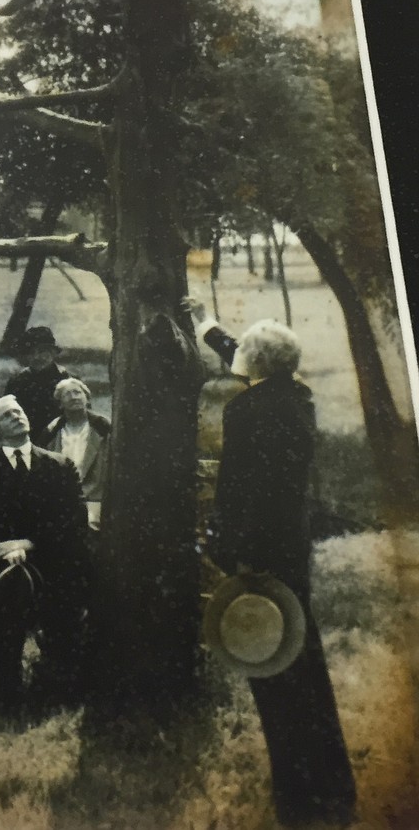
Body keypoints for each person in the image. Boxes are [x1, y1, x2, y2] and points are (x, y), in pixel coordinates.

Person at [185, 299, 356, 827]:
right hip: (292, 548)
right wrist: (206, 324)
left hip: (257, 553)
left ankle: (298, 791)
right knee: (303, 658)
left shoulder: (246, 410)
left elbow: (236, 490)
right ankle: (333, 782)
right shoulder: (297, 397)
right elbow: (252, 353)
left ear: (255, 364)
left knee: (271, 666)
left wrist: (222, 548)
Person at [0, 395, 90, 707]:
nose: (17, 417)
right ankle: (6, 686)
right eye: (6, 416)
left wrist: (29, 544)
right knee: (5, 591)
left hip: (51, 560)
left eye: (19, 411)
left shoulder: (59, 465)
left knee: (66, 601)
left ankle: (57, 684)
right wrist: (0, 548)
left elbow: (73, 520)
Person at [36, 377, 110, 533]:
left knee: (87, 526)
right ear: (60, 404)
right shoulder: (52, 431)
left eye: (78, 392)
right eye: (67, 394)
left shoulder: (103, 427)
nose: (74, 397)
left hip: (96, 498)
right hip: (61, 498)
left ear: (87, 398)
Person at [6, 326, 69, 438]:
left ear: (53, 353)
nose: (36, 357)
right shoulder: (17, 382)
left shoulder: (67, 379)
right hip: (26, 440)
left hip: (60, 439)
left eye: (42, 352)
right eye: (31, 353)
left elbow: (82, 417)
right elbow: (7, 417)